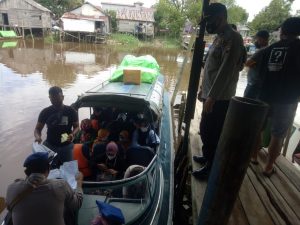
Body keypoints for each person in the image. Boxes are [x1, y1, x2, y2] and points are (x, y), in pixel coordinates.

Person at [192, 3, 245, 180]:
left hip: (220, 98)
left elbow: (226, 70)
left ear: (220, 18)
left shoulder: (233, 38)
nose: (208, 25)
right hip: (210, 94)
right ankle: (208, 158)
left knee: (212, 131)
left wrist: (212, 97)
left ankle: (211, 167)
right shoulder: (219, 37)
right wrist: (203, 89)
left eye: (210, 20)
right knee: (206, 129)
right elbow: (209, 67)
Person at [253, 17, 300, 177]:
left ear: (283, 31)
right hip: (287, 99)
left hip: (265, 95)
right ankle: (268, 167)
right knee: (278, 134)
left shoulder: (269, 48)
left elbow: (252, 64)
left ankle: (253, 157)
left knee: (258, 128)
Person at [5, 152, 83, 225]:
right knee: (68, 207)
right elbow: (77, 204)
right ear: (48, 169)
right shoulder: (61, 185)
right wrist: (79, 182)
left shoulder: (11, 189)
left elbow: (10, 209)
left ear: (26, 172)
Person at [34, 86, 79, 167]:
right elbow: (37, 129)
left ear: (62, 97)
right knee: (49, 169)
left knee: (69, 169)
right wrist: (38, 137)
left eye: (57, 98)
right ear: (49, 98)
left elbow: (76, 127)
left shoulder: (71, 111)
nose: (55, 101)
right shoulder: (45, 112)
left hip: (66, 145)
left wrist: (72, 134)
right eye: (52, 98)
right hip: (50, 145)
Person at [244, 30, 270, 99]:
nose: (256, 41)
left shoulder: (261, 51)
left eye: (257, 39)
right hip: (262, 84)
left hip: (253, 83)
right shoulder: (270, 49)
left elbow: (247, 63)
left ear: (261, 38)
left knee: (245, 103)